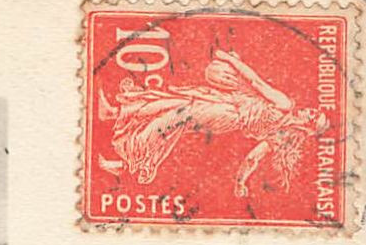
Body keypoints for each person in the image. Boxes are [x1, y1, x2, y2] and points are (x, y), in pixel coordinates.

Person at [99, 48, 329, 196]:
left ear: (308, 127)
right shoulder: (281, 137)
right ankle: (116, 121)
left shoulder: (286, 105)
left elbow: (256, 82)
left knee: (177, 112)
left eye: (313, 117)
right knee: (174, 106)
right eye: (314, 111)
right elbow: (252, 159)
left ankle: (127, 155)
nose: (310, 112)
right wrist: (240, 183)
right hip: (227, 109)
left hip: (227, 111)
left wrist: (229, 59)